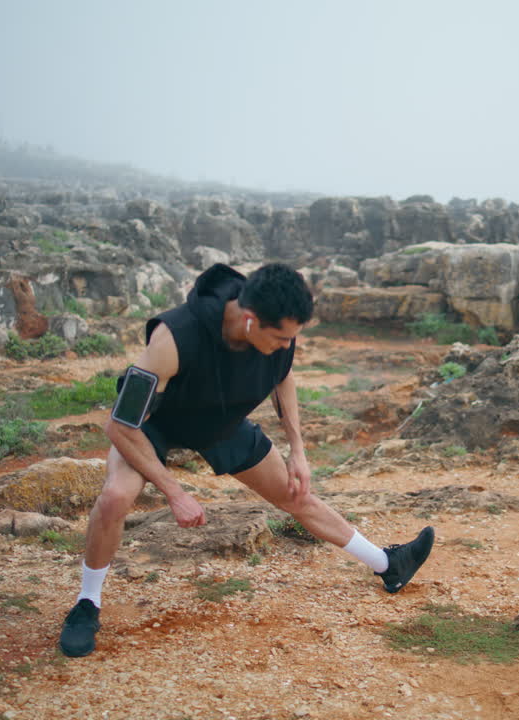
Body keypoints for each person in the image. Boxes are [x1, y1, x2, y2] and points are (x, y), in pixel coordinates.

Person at [58, 262, 434, 657]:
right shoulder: (173, 340)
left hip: (218, 420)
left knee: (296, 495)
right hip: (153, 424)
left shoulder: (276, 332)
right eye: (281, 338)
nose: (287, 346)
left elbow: (282, 376)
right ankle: (87, 603)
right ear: (250, 320)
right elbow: (119, 425)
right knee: (117, 496)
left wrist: (298, 450)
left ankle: (387, 564)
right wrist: (174, 492)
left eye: (293, 338)